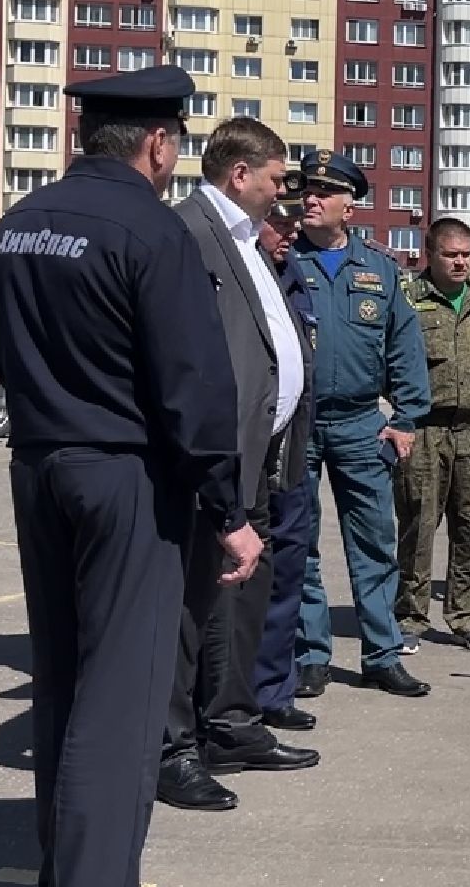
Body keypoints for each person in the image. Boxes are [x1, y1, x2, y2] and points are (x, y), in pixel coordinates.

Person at [0, 66, 259, 887]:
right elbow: (193, 386)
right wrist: (228, 509)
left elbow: (0, 353)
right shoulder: (152, 231)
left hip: (39, 465)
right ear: (158, 144)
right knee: (123, 699)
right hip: (125, 476)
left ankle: (62, 863)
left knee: (63, 678)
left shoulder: (19, 224)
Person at [158, 118, 318, 812]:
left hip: (258, 455)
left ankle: (231, 723)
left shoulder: (249, 238)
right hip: (210, 457)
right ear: (240, 173)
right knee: (191, 603)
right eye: (277, 179)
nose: (284, 193)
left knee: (243, 593)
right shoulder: (189, 233)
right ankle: (173, 746)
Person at [290, 150, 433, 700]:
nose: (311, 198)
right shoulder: (281, 259)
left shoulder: (378, 269)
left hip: (359, 423)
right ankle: (311, 656)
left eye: (325, 192)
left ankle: (382, 655)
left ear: (348, 208)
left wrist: (406, 418)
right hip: (297, 423)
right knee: (298, 540)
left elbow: (404, 347)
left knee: (374, 541)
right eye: (308, 188)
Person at [395, 218, 470, 651]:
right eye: (451, 254)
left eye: (466, 254)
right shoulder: (408, 300)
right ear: (430, 254)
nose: (461, 262)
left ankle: (467, 615)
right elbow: (390, 362)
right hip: (426, 429)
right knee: (418, 525)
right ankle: (410, 617)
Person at [250, 197, 321, 732]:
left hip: (292, 445)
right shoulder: (235, 268)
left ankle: (273, 690)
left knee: (289, 565)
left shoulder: (291, 271)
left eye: (294, 224)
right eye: (278, 223)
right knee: (244, 574)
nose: (290, 233)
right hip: (247, 448)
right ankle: (234, 698)